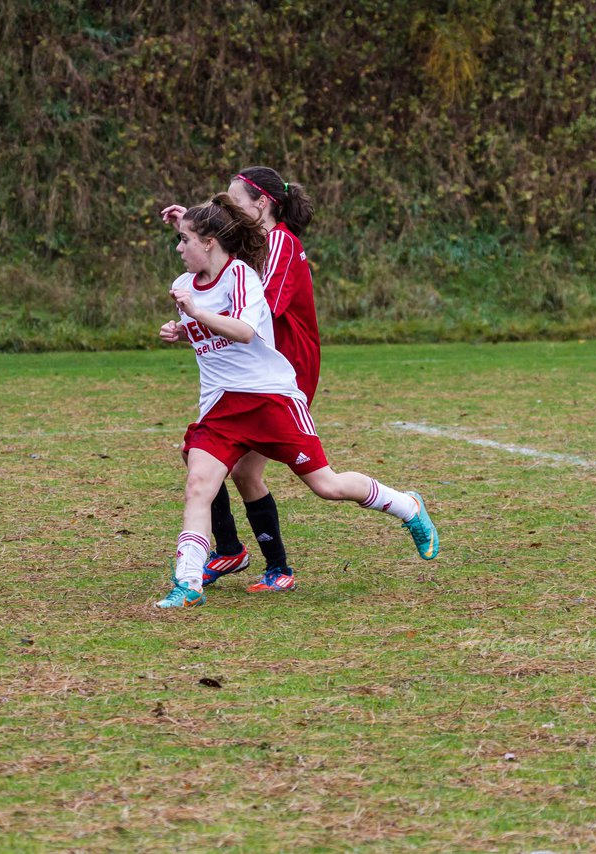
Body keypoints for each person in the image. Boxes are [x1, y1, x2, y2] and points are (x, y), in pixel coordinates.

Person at [154, 194, 438, 609]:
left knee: (328, 485)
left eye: (184, 240)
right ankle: (188, 581)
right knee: (198, 483)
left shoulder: (240, 276)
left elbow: (245, 331)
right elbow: (210, 335)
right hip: (220, 408)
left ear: (210, 242)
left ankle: (406, 504)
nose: (179, 249)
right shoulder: (183, 286)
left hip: (270, 400)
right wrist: (182, 331)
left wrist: (195, 314)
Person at [160, 167, 319, 593]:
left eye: (231, 203)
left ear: (260, 204)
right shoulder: (248, 253)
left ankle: (267, 562)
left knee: (255, 474)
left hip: (277, 376)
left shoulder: (280, 243)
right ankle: (240, 553)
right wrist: (192, 233)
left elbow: (252, 308)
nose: (225, 208)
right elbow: (223, 269)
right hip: (241, 377)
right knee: (203, 459)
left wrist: (200, 308)